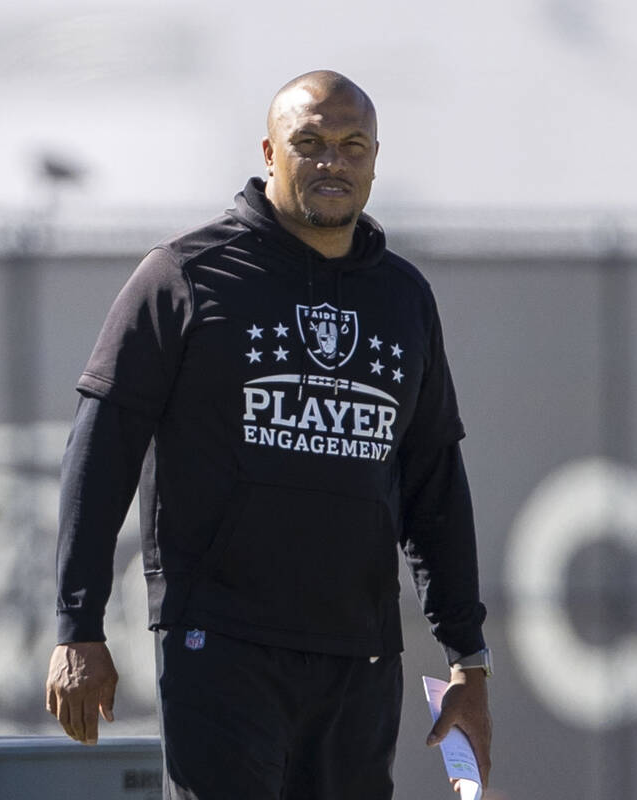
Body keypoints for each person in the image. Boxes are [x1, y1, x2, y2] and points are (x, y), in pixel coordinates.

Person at [45, 69, 492, 800]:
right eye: (308, 143)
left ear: (376, 158)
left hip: (360, 654)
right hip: (220, 645)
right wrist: (77, 626)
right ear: (269, 153)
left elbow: (434, 480)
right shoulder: (184, 275)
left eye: (352, 145)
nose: (331, 162)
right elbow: (100, 454)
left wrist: (467, 657)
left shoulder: (404, 297)